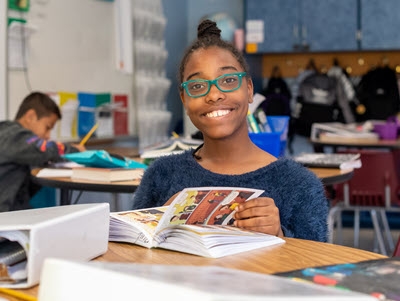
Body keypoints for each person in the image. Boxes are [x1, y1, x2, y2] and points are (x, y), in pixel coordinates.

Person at [132, 19, 329, 242]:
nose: (214, 95)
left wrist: (280, 235)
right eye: (197, 86)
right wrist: (156, 224)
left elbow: (314, 269)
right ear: (184, 100)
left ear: (249, 89)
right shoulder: (161, 176)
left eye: (228, 80)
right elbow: (135, 257)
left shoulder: (300, 184)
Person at [0, 91, 85, 212]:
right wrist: (75, 150)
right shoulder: (14, 136)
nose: (48, 135)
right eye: (48, 127)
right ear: (30, 117)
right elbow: (45, 149)